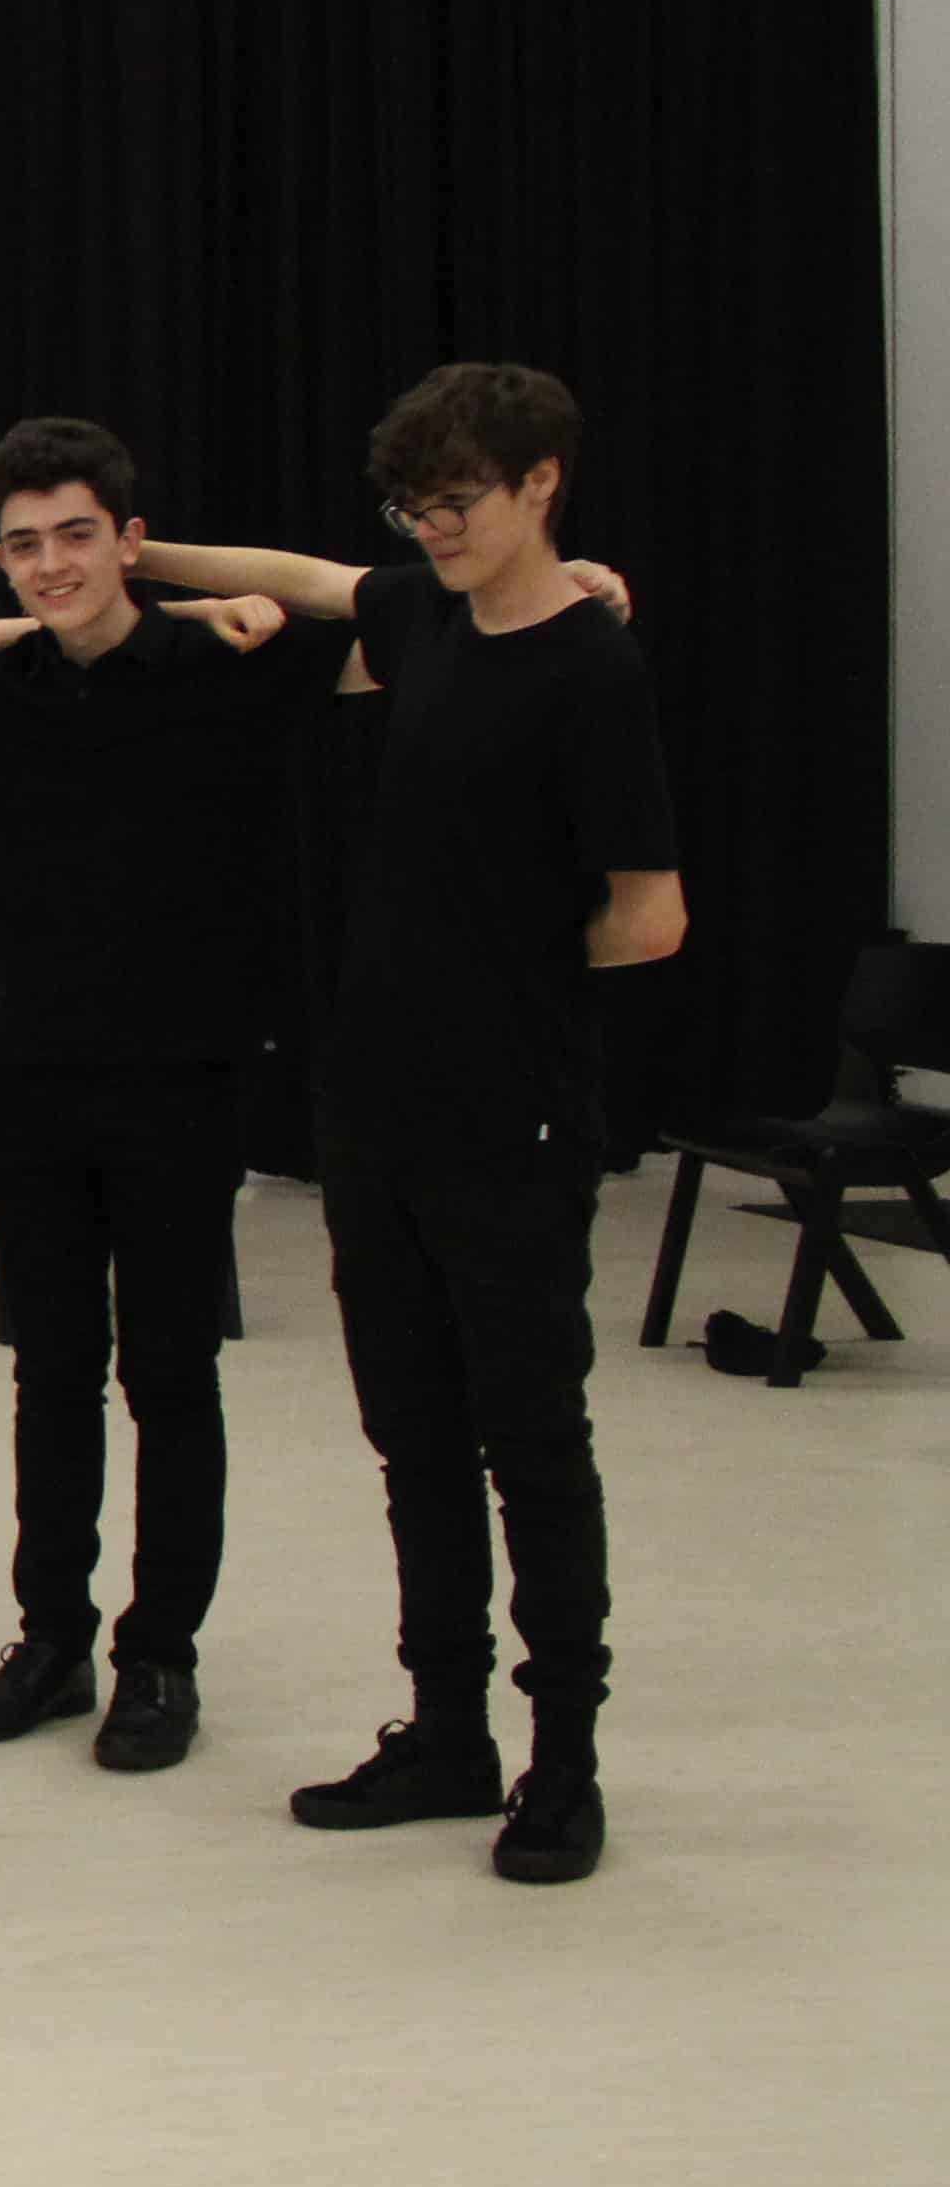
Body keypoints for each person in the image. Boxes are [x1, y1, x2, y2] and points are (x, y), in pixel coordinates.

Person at [135, 364, 683, 1884]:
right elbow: (303, 581)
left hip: (509, 1116)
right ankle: (448, 1730)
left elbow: (651, 917)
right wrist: (141, 555)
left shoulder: (593, 665)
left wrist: (499, 966)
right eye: (414, 508)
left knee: (531, 1441)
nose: (434, 530)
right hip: (372, 1113)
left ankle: (563, 1760)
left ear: (541, 486)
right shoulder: (426, 618)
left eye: (459, 505)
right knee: (411, 1438)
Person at [0, 419, 359, 1773]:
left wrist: (194, 581)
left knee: (169, 1370)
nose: (52, 565)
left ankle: (160, 1655)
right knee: (50, 1372)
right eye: (25, 546)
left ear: (127, 539)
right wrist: (4, 625)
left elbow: (376, 602)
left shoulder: (231, 657)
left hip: (183, 1074)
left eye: (78, 535)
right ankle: (51, 1639)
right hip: (35, 1075)